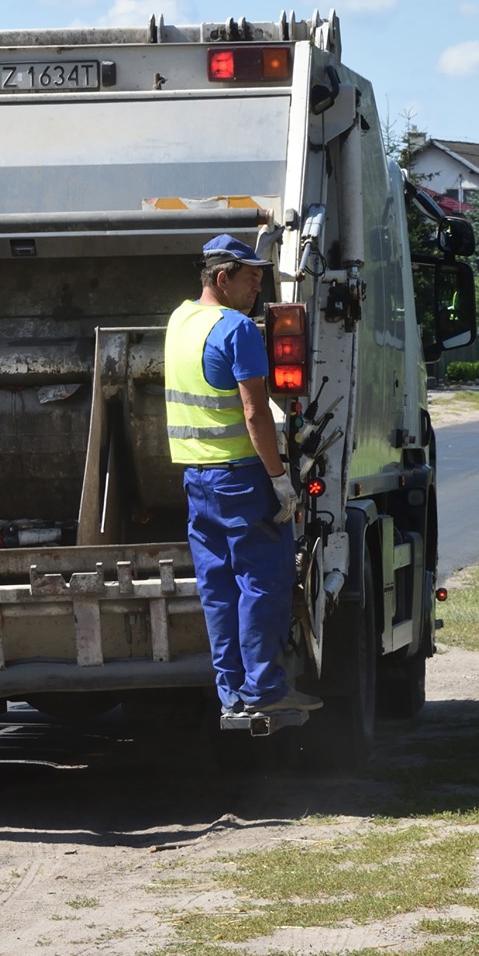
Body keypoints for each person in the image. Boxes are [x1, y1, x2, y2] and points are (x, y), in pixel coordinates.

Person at [166, 234, 320, 718]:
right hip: (242, 481)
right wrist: (279, 479)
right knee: (263, 582)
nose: (258, 286)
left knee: (217, 589)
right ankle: (264, 691)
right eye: (251, 278)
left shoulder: (180, 320)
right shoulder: (237, 330)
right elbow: (256, 414)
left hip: (198, 480)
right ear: (222, 278)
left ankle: (231, 692)